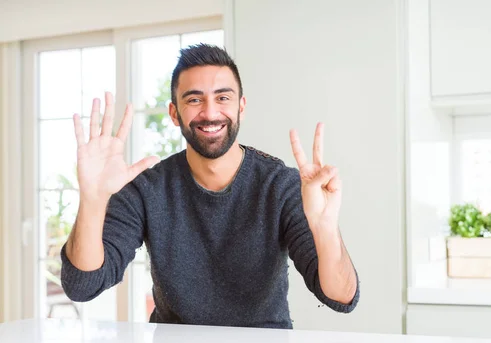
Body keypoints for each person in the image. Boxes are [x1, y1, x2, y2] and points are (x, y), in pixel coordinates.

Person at [61, 44, 359, 328]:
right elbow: (83, 286)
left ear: (241, 106)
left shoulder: (281, 185)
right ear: (174, 113)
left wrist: (325, 228)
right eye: (194, 99)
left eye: (223, 97)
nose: (210, 112)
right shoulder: (147, 189)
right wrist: (93, 199)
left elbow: (340, 297)